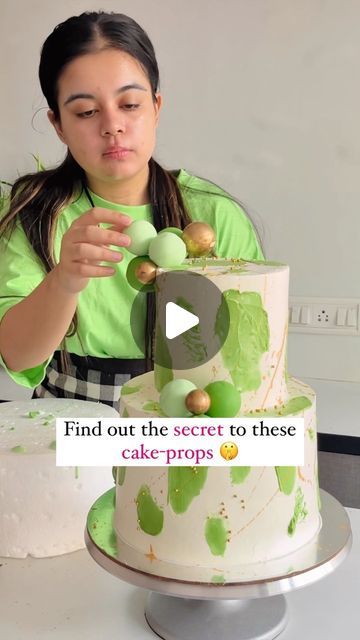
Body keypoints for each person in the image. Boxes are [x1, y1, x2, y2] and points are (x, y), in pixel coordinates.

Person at [0, 11, 264, 410]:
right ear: (58, 125)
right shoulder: (37, 213)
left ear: (156, 107)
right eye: (86, 111)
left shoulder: (212, 215)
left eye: (129, 104)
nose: (112, 126)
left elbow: (251, 349)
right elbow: (18, 358)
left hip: (190, 410)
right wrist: (65, 279)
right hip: (70, 413)